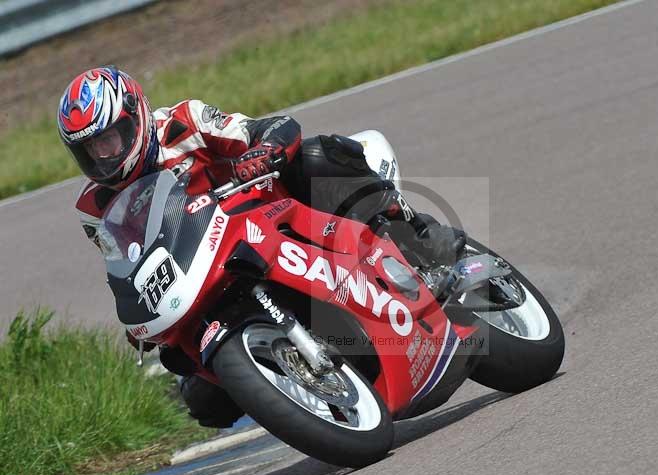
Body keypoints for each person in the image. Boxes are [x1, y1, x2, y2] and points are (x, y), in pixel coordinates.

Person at [58, 66, 465, 427]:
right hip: (201, 268)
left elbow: (274, 127)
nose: (102, 156)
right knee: (201, 400)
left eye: (109, 139)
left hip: (265, 211)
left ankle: (419, 235)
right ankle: (294, 387)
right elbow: (126, 258)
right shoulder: (91, 207)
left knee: (314, 156)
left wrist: (263, 153)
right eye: (89, 149)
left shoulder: (183, 123)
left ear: (136, 117)